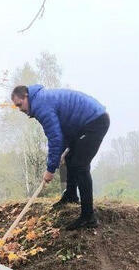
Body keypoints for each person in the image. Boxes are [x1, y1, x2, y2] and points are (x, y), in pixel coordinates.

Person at [10, 84, 110, 230]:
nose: (21, 109)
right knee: (70, 158)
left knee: (80, 166)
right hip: (84, 124)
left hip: (95, 121)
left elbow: (55, 138)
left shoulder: (40, 106)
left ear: (26, 96)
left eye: (20, 104)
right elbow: (61, 136)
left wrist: (50, 169)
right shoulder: (40, 100)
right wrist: (55, 160)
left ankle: (88, 217)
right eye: (17, 107)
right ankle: (70, 195)